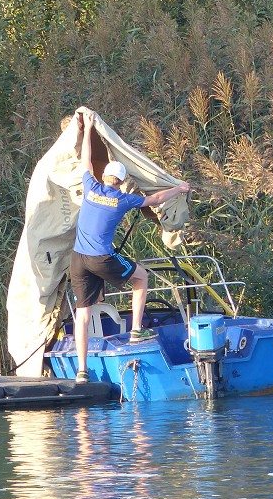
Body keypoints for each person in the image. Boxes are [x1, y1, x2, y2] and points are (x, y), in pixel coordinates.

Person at [70, 110, 190, 383]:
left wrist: (87, 130)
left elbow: (86, 158)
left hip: (78, 259)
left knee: (83, 314)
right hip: (101, 258)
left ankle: (82, 371)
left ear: (103, 176)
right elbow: (156, 199)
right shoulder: (123, 200)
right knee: (142, 276)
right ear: (122, 182)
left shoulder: (90, 186)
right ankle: (136, 330)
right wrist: (179, 189)